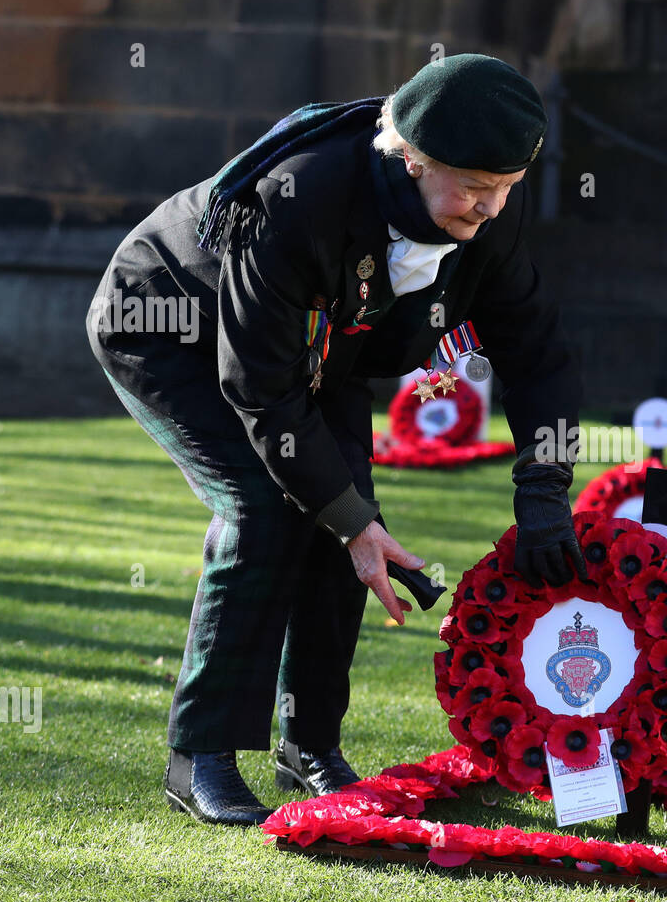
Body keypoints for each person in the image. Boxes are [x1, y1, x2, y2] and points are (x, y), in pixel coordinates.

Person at [86, 54, 587, 826]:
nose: (491, 207)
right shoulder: (296, 198)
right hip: (172, 326)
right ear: (413, 157)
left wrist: (544, 494)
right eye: (474, 186)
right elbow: (260, 390)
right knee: (265, 508)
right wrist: (346, 519)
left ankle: (310, 744)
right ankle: (201, 755)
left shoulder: (492, 217)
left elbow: (540, 358)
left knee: (355, 519)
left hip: (325, 349)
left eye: (508, 186)